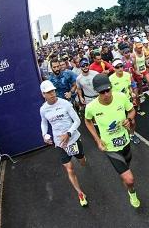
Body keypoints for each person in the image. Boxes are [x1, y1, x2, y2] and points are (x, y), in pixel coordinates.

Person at [84, 74, 140, 208]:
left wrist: (129, 119)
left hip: (125, 142)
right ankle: (132, 192)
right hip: (110, 147)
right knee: (129, 179)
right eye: (102, 92)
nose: (106, 94)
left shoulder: (121, 97)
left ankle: (125, 176)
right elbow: (87, 121)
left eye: (108, 90)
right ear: (96, 91)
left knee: (126, 168)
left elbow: (132, 111)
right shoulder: (91, 107)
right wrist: (97, 140)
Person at [39, 80, 87, 207]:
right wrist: (44, 134)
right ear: (43, 94)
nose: (52, 94)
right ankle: (80, 193)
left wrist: (69, 133)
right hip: (60, 143)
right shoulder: (43, 109)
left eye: (53, 91)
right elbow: (44, 122)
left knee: (82, 161)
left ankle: (82, 158)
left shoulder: (65, 103)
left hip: (73, 139)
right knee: (70, 169)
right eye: (49, 92)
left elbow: (77, 121)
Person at [109, 59, 139, 144]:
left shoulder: (127, 75)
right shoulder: (110, 79)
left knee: (132, 121)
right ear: (114, 68)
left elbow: (130, 86)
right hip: (117, 103)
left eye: (121, 66)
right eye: (117, 67)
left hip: (127, 101)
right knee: (120, 122)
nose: (120, 69)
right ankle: (121, 136)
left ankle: (132, 135)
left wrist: (132, 94)